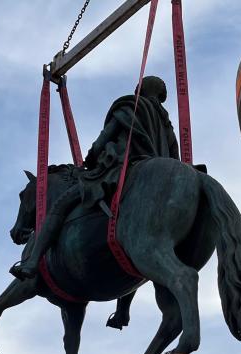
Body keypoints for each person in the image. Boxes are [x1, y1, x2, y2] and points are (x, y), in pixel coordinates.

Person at [10, 76, 180, 281]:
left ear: (139, 89)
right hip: (153, 179)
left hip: (120, 172)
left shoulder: (128, 106)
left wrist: (91, 157)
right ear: (161, 96)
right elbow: (175, 160)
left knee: (60, 205)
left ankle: (32, 261)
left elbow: (105, 137)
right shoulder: (167, 124)